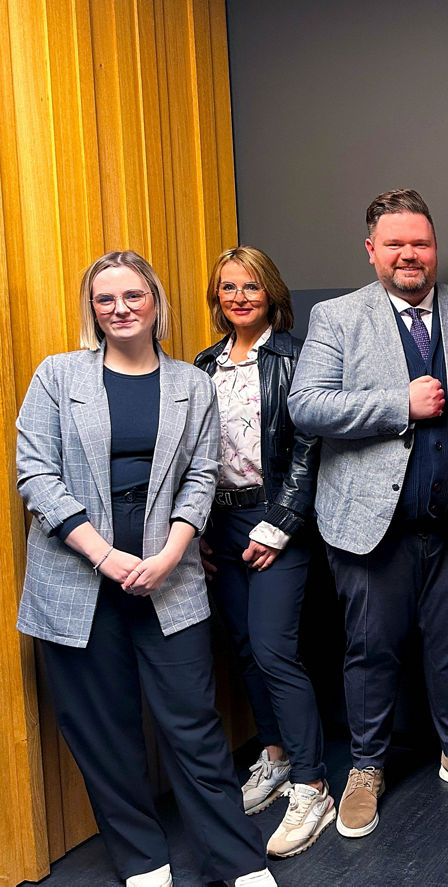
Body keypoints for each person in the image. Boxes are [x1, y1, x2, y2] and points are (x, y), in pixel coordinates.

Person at [15, 251, 275, 887]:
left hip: (169, 575)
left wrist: (168, 554)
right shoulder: (57, 376)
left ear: (156, 302)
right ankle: (144, 863)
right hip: (76, 578)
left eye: (133, 296)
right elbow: (35, 475)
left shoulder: (192, 383)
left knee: (194, 728)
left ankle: (239, 863)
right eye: (106, 300)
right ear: (93, 311)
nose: (120, 309)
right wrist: (104, 555)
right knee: (103, 733)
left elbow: (200, 474)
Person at [288, 188, 448, 839]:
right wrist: (397, 402)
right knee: (369, 650)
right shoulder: (338, 317)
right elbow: (307, 406)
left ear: (434, 247)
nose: (409, 254)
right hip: (367, 524)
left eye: (420, 242)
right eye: (395, 244)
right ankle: (366, 766)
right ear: (371, 250)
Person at [194, 246, 332, 858]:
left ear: (270, 292)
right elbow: (189, 455)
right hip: (217, 521)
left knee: (276, 648)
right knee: (245, 649)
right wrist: (190, 529)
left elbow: (309, 450)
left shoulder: (296, 358)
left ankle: (312, 785)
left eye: (251, 286)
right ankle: (274, 758)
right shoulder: (202, 365)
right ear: (217, 298)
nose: (240, 296)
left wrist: (279, 524)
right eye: (228, 287)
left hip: (277, 519)